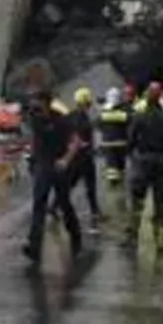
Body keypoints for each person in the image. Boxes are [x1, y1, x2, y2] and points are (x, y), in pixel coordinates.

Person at [24, 89, 83, 267]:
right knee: (38, 203)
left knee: (64, 203)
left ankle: (75, 235)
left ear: (47, 102)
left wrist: (66, 159)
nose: (35, 105)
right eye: (34, 101)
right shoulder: (34, 117)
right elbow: (32, 136)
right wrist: (32, 158)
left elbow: (76, 141)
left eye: (38, 101)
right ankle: (34, 245)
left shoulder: (61, 119)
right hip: (42, 165)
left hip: (58, 165)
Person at [126, 82, 163, 249]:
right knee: (160, 203)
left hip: (143, 160)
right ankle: (159, 239)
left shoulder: (139, 117)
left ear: (147, 98)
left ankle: (133, 236)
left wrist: (133, 155)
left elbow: (130, 140)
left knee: (137, 199)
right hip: (161, 161)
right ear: (160, 98)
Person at [61, 87, 104, 229]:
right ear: (86, 101)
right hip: (82, 156)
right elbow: (78, 137)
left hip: (76, 156)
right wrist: (86, 145)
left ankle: (55, 206)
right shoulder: (82, 118)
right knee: (89, 185)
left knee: (71, 183)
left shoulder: (71, 115)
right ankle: (94, 211)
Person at [98, 88, 131, 185]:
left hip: (108, 143)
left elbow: (98, 124)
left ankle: (113, 183)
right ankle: (120, 179)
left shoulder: (103, 114)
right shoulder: (124, 113)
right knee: (121, 165)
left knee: (111, 165)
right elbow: (129, 122)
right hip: (122, 143)